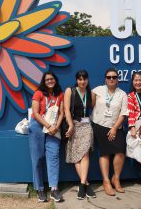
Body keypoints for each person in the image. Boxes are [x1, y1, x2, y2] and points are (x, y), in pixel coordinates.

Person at [91, 67, 128, 196]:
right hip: (100, 126)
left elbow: (123, 113)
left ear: (118, 79)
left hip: (115, 127)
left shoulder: (122, 94)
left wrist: (113, 128)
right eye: (109, 77)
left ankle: (115, 178)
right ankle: (106, 181)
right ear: (105, 79)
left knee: (121, 152)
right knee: (105, 153)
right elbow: (87, 103)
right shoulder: (97, 90)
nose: (111, 79)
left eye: (114, 77)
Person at [28, 71, 64, 203]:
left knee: (53, 156)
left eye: (52, 79)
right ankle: (40, 189)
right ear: (44, 81)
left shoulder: (60, 94)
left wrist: (56, 126)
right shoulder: (38, 93)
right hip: (38, 126)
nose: (50, 81)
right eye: (47, 79)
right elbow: (36, 113)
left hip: (54, 129)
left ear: (55, 80)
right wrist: (48, 126)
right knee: (37, 158)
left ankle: (54, 189)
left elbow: (62, 113)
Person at [64, 70, 96, 200]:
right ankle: (86, 184)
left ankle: (82, 185)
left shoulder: (92, 93)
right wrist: (70, 125)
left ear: (88, 80)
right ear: (77, 80)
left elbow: (92, 107)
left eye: (84, 79)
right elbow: (66, 109)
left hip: (87, 126)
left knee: (85, 153)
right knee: (77, 157)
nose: (82, 82)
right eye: (80, 79)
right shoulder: (70, 91)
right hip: (75, 125)